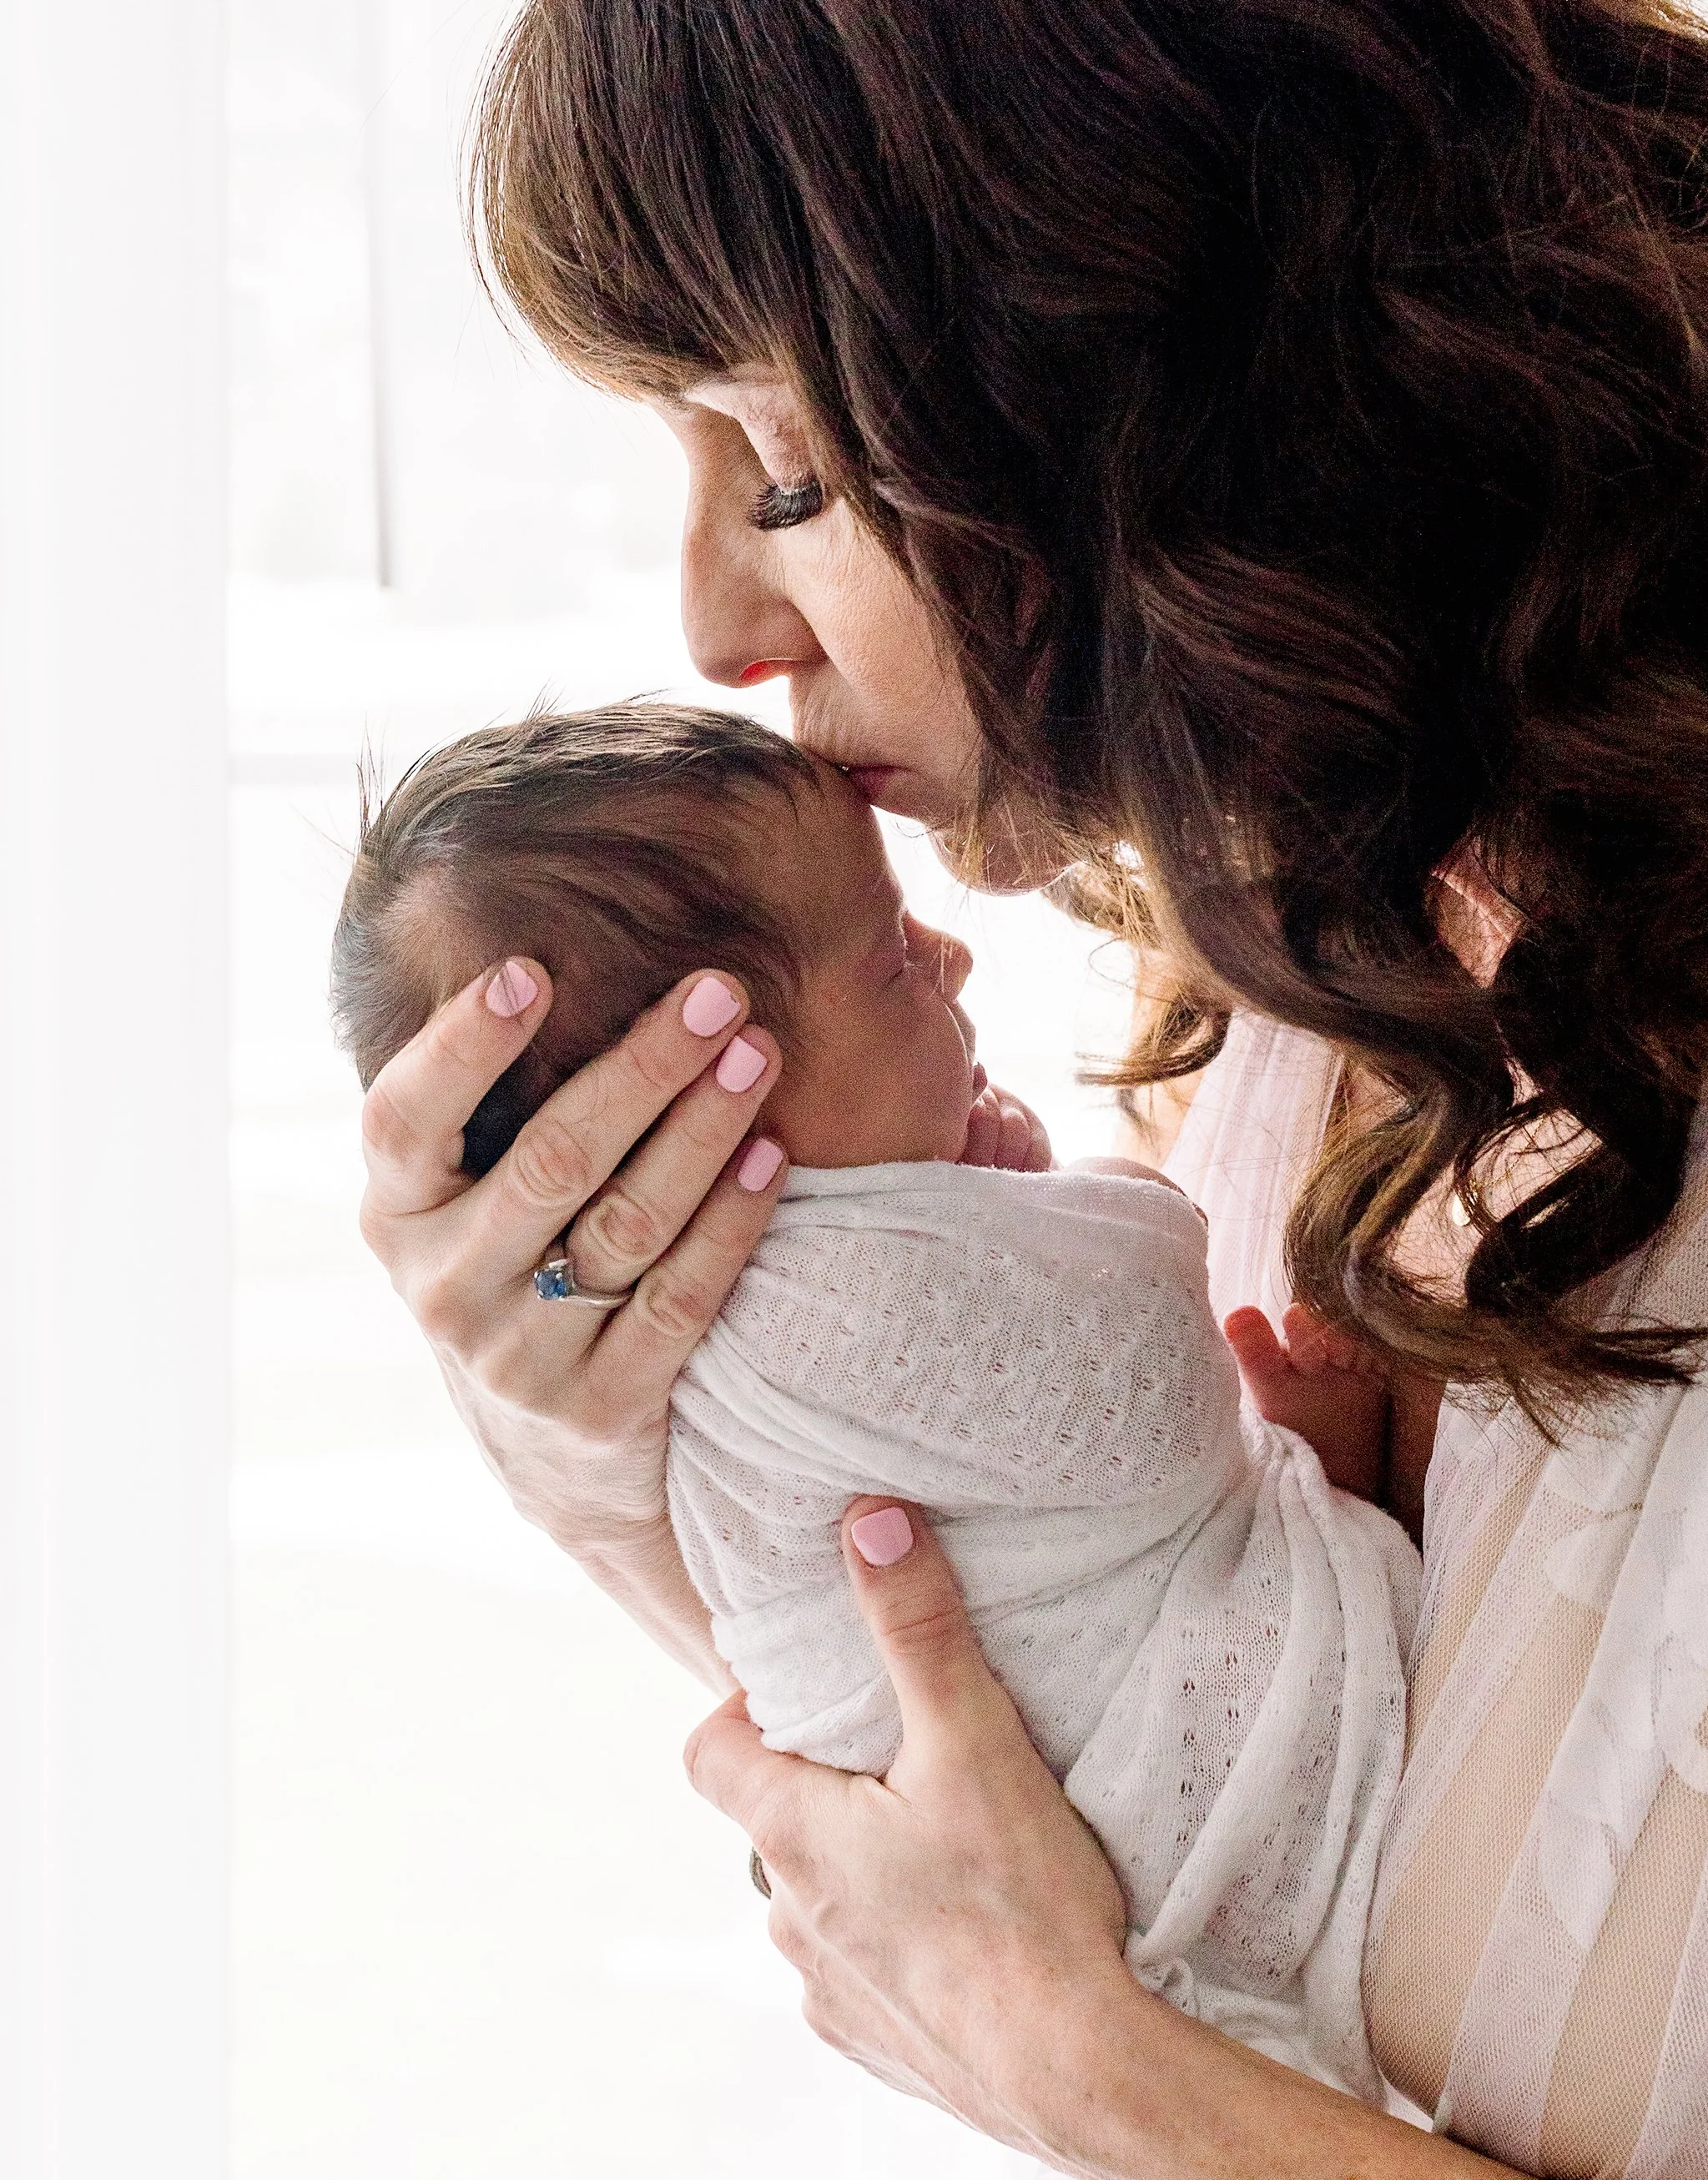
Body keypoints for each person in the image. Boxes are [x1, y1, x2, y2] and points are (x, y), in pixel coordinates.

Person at [356, 0, 1708, 2180]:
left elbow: (1114, 2029)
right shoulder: (1306, 922)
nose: (715, 633)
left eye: (780, 465)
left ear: (1160, 393)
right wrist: (616, 1417)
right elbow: (1101, 1783)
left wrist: (1144, 2115)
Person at [331, 698, 1415, 2090]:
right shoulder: (806, 1306)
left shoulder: (713, 1302)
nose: (954, 954)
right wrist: (1072, 1200)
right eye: (897, 960)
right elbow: (1143, 1326)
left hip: (1114, 1993)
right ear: (718, 1106)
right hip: (1202, 1862)